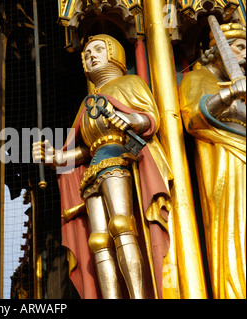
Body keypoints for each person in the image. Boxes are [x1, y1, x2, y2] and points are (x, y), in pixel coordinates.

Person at [33, 34, 172, 299]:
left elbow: (149, 118)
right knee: (97, 240)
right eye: (86, 54)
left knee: (121, 224)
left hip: (119, 160)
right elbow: (85, 148)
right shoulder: (87, 105)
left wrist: (129, 119)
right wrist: (57, 157)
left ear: (115, 54)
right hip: (93, 172)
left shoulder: (129, 83)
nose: (91, 56)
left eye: (98, 50)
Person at [179, 22, 245, 299]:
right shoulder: (198, 78)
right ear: (218, 49)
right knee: (235, 226)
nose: (246, 53)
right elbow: (193, 117)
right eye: (240, 47)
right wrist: (230, 93)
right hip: (226, 159)